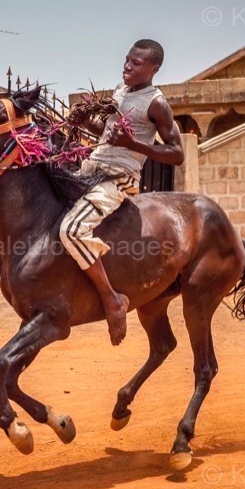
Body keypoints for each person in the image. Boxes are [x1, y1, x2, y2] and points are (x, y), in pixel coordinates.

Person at [59, 39, 184, 346]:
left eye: (136, 63)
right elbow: (107, 135)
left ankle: (112, 299)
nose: (127, 66)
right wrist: (85, 122)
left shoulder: (157, 103)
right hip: (92, 168)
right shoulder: (120, 91)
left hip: (119, 178)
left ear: (153, 69)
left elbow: (177, 152)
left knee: (71, 230)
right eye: (127, 60)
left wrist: (134, 145)